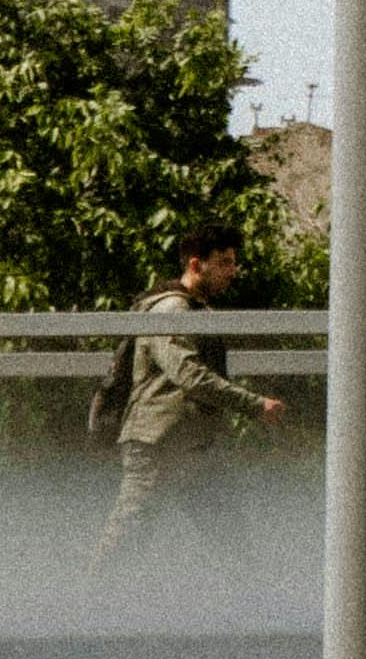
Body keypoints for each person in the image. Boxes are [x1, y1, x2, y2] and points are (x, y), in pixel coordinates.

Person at [96, 224, 286, 565]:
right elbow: (189, 374)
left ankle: (261, 614)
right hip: (160, 445)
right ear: (197, 265)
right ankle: (85, 616)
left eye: (234, 262)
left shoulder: (196, 310)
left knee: (235, 549)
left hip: (191, 446)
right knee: (122, 549)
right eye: (225, 262)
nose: (234, 271)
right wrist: (255, 405)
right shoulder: (172, 309)